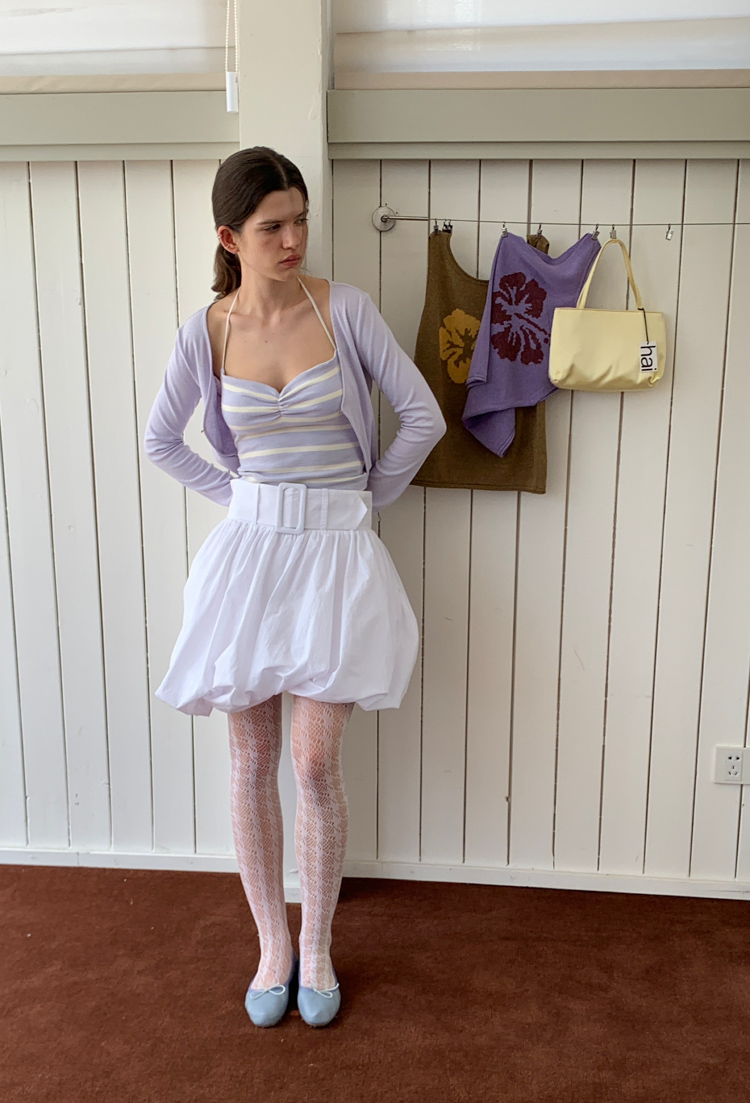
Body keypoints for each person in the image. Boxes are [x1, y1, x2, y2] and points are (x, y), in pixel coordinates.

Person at [143, 146, 446, 1029]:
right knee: (250, 762)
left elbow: (422, 415)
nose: (293, 239)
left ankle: (317, 945)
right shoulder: (208, 331)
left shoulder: (343, 308)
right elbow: (161, 440)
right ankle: (271, 945)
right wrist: (241, 496)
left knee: (313, 761)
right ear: (229, 237)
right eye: (273, 225)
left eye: (300, 220)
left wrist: (366, 496)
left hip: (335, 559)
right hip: (250, 560)